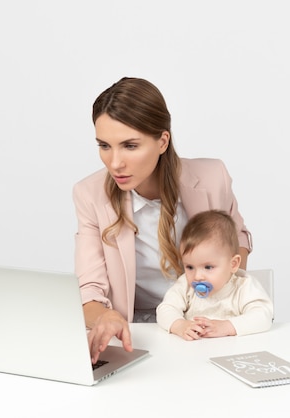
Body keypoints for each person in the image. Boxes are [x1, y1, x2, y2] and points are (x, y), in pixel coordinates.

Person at [73, 77, 252, 363]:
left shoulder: (212, 177)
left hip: (205, 325)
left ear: (162, 141)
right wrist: (105, 317)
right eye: (104, 145)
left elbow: (237, 243)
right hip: (138, 331)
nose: (114, 162)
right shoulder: (90, 194)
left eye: (130, 146)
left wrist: (218, 303)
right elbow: (89, 289)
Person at [156, 210, 273, 340]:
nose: (197, 276)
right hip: (193, 351)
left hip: (231, 352)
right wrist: (180, 325)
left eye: (208, 267)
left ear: (233, 264)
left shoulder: (243, 286)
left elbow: (263, 315)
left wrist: (228, 327)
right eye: (190, 267)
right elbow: (165, 309)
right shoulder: (185, 286)